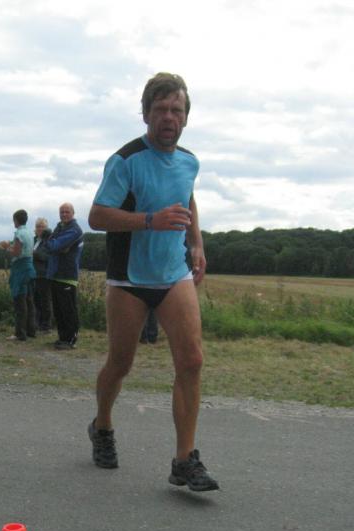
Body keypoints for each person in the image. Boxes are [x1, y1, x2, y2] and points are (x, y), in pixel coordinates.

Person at [87, 72, 219, 492]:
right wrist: (149, 220)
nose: (168, 117)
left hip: (173, 275)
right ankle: (102, 426)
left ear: (186, 117)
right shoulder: (125, 160)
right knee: (120, 364)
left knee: (192, 361)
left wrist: (196, 244)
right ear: (146, 114)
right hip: (129, 279)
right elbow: (97, 216)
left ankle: (184, 460)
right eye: (160, 109)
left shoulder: (189, 162)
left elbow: (187, 197)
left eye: (176, 110)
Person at [44, 203, 83, 350]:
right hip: (55, 274)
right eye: (62, 212)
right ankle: (62, 338)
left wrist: (54, 244)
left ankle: (71, 340)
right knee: (59, 310)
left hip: (67, 275)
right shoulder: (60, 227)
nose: (64, 214)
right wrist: (56, 246)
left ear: (73, 213)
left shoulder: (75, 230)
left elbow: (53, 245)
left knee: (68, 310)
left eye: (67, 212)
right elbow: (50, 246)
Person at [0, 210, 36, 341]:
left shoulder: (19, 234)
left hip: (21, 269)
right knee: (29, 301)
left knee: (20, 302)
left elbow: (16, 253)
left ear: (16, 220)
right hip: (30, 268)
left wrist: (6, 247)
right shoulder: (30, 233)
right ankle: (31, 330)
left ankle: (20, 333)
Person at [32, 217, 53, 333]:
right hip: (34, 274)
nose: (40, 229)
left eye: (42, 227)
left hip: (44, 274)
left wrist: (33, 254)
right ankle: (38, 323)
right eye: (38, 226)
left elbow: (47, 257)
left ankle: (46, 325)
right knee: (36, 300)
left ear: (46, 228)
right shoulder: (34, 240)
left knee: (45, 301)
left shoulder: (48, 241)